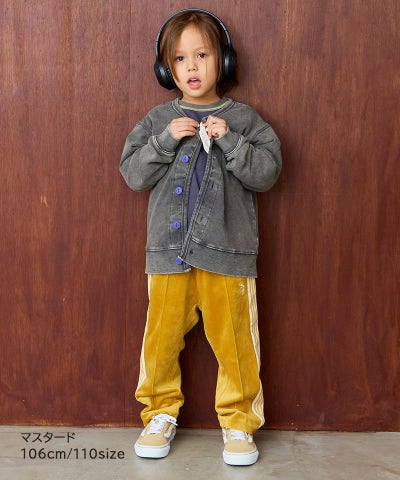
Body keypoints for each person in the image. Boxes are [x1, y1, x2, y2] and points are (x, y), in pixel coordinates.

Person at [119, 9, 282, 466]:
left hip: (227, 256)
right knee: (160, 341)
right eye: (179, 59)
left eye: (202, 55)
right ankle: (159, 413)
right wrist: (162, 142)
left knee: (236, 345)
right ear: (166, 69)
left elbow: (267, 173)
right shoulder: (157, 120)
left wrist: (232, 142)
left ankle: (239, 421)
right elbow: (132, 174)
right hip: (168, 257)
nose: (191, 67)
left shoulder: (245, 120)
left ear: (223, 61)